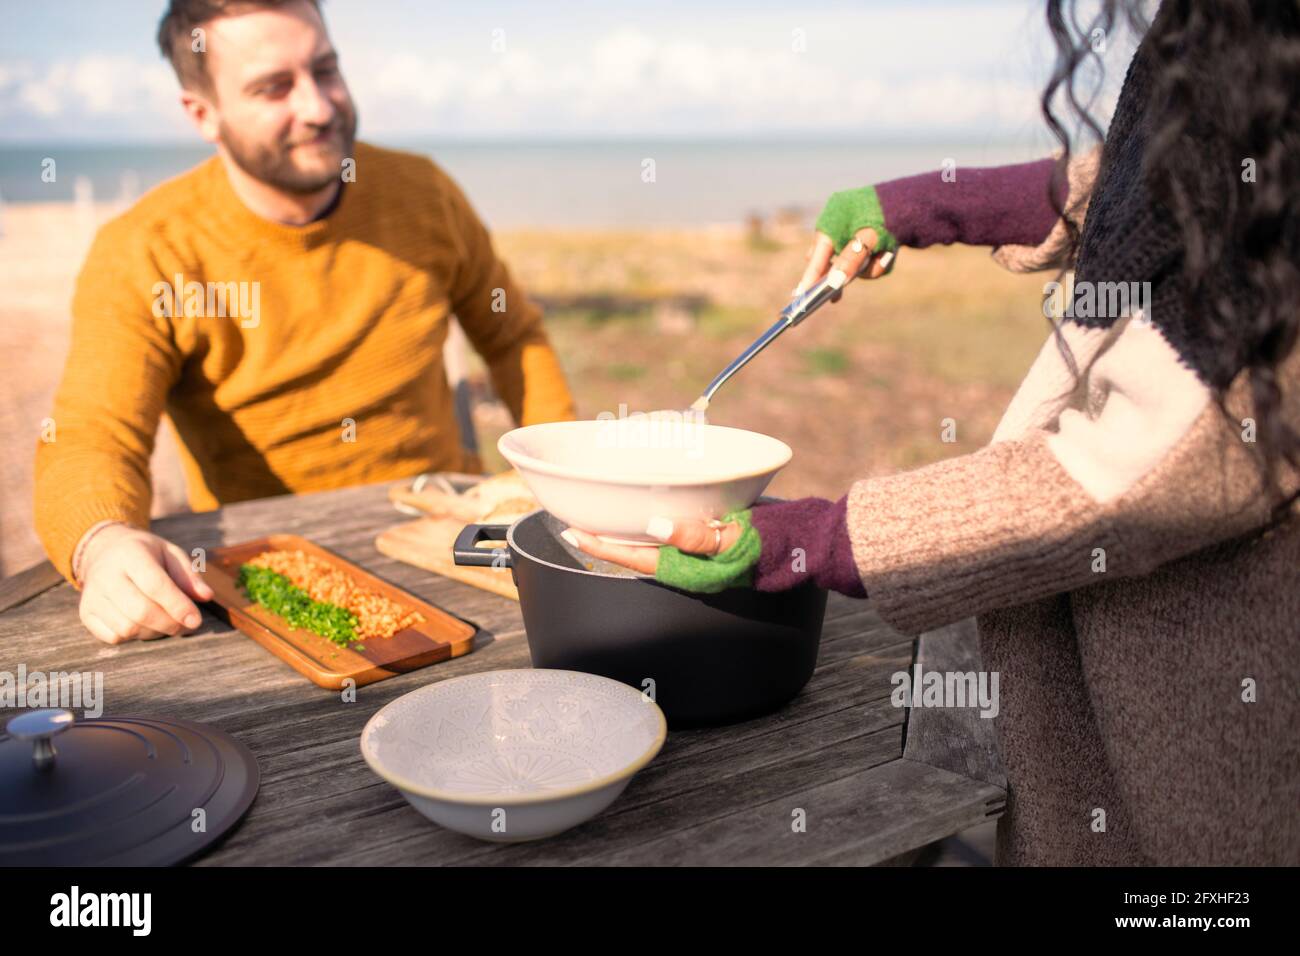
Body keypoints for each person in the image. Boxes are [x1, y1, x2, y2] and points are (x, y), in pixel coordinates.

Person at [564, 0, 1300, 865]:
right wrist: (933, 205)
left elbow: (1135, 472)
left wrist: (812, 540)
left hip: (1198, 745)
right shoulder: (1230, 30)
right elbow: (1171, 178)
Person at [34, 0, 575, 645]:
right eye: (274, 87)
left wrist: (566, 479)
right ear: (202, 114)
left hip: (448, 536)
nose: (318, 107)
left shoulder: (422, 191)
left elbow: (513, 338)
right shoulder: (147, 251)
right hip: (273, 578)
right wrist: (103, 542)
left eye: (325, 69)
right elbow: (91, 431)